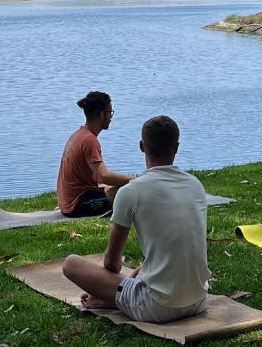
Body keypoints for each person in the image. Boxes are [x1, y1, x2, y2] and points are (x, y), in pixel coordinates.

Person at [60, 115, 210, 323]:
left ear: (142, 146)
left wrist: (109, 290)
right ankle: (120, 297)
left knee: (71, 264)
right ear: (176, 147)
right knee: (151, 265)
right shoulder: (195, 185)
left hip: (157, 307)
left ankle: (117, 300)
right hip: (198, 300)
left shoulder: (131, 192)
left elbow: (112, 265)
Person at [57, 91, 135, 218]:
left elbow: (99, 177)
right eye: (110, 112)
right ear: (102, 114)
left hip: (68, 202)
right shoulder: (89, 140)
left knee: (119, 184)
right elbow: (103, 176)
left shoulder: (79, 134)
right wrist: (133, 180)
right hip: (77, 205)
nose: (111, 116)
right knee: (127, 190)